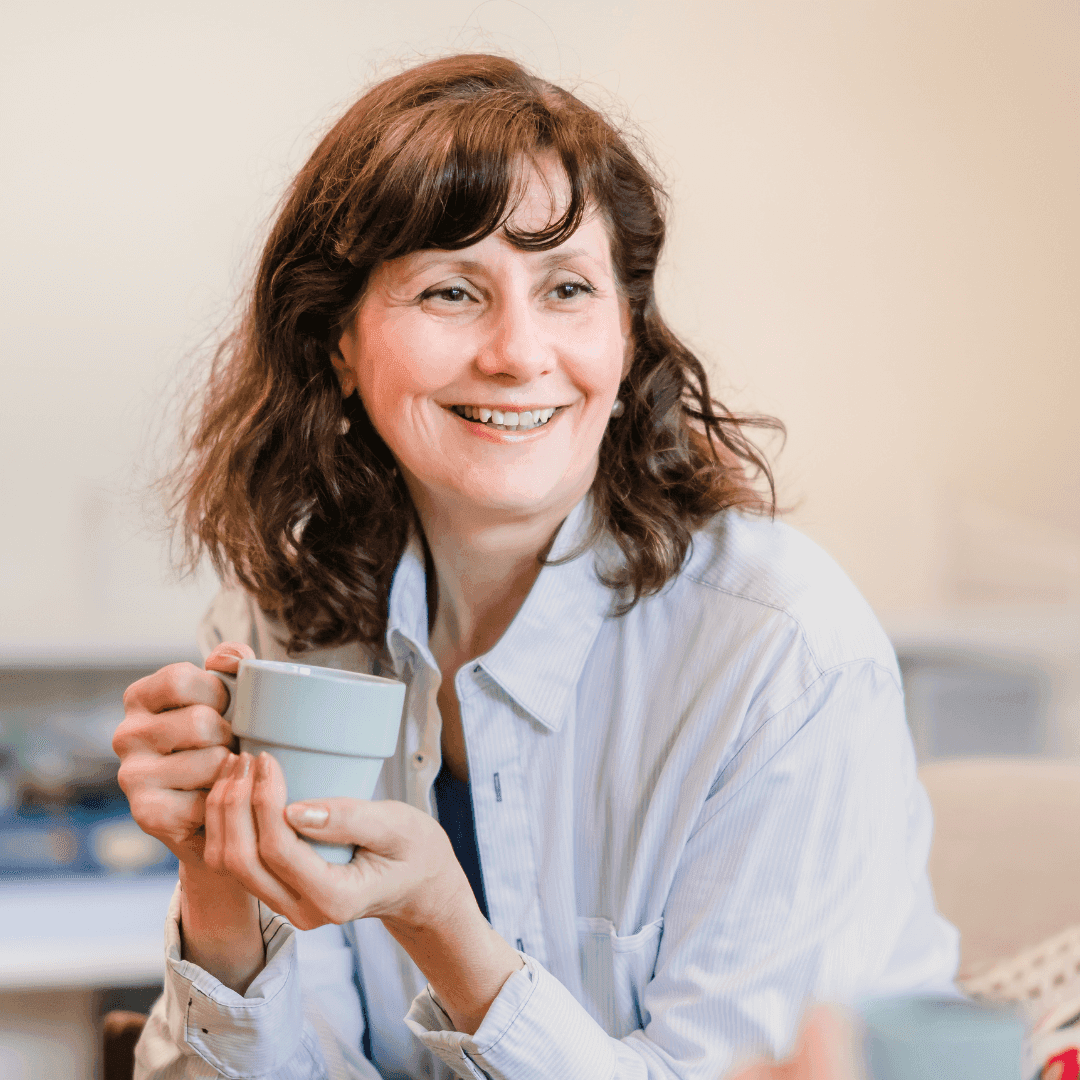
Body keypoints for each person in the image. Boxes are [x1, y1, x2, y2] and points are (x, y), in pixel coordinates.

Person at [114, 53, 958, 1080]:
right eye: (450, 290)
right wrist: (218, 882)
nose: (518, 351)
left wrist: (444, 930)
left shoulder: (783, 653)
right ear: (338, 342)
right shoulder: (288, 621)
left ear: (627, 335)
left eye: (566, 288)